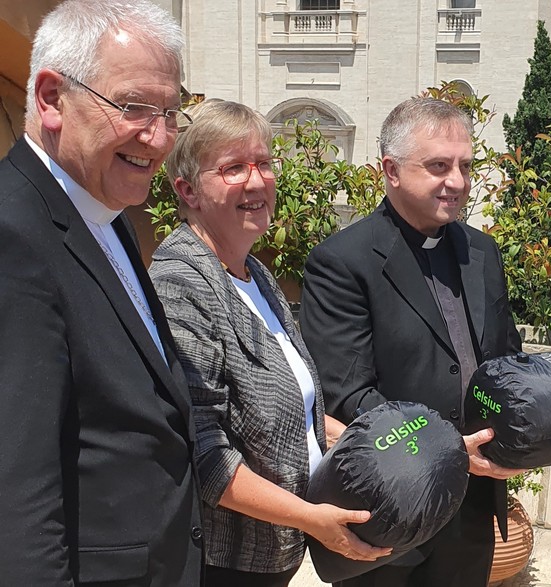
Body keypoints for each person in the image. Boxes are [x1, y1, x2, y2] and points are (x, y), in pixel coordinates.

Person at [0, 0, 204, 585]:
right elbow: (17, 487)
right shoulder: (14, 234)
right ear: (50, 98)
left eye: (171, 111)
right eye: (134, 107)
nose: (160, 137)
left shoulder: (109, 217)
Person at [149, 99, 391, 587]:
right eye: (234, 168)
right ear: (188, 190)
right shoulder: (181, 283)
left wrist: (384, 445)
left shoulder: (255, 275)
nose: (257, 181)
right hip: (222, 564)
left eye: (263, 163)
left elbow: (293, 408)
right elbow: (205, 453)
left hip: (273, 553)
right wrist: (309, 516)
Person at [299, 97, 524, 587]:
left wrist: (546, 433)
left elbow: (507, 365)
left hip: (471, 507)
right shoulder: (342, 261)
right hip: (388, 510)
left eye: (465, 165)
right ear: (391, 170)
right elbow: (349, 393)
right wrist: (444, 452)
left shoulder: (481, 251)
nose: (458, 181)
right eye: (439, 166)